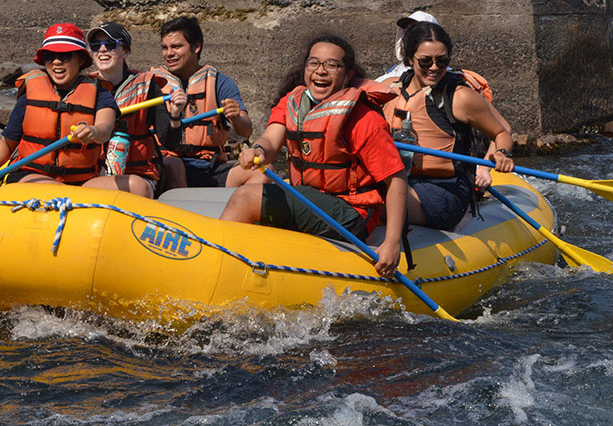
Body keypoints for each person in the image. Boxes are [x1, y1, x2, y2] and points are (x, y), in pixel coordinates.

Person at [219, 34, 408, 277]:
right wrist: (258, 150)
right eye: (314, 63)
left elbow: (396, 178)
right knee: (259, 186)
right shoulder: (292, 102)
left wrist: (392, 243)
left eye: (332, 65)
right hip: (315, 199)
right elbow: (270, 139)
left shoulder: (363, 118)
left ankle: (219, 266)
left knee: (246, 198)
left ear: (348, 75)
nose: (320, 71)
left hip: (350, 213)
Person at [380, 22, 515, 230]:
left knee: (373, 199)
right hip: (401, 179)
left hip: (443, 191)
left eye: (442, 61)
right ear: (409, 59)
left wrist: (502, 153)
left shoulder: (460, 97)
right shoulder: (389, 88)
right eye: (425, 62)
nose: (434, 68)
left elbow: (501, 132)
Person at [0, 23, 118, 189]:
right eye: (50, 56)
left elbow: (105, 129)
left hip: (82, 181)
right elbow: (8, 143)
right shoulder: (30, 93)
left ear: (80, 59)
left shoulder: (99, 93)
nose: (56, 62)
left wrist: (93, 131)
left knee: (139, 186)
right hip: (31, 176)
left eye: (65, 56)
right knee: (53, 188)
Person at [152, 16, 269, 190]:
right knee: (174, 166)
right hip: (166, 166)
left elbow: (246, 130)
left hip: (209, 166)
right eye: (165, 48)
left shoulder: (221, 83)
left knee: (261, 173)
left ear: (196, 47)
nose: (169, 53)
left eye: (176, 46)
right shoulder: (152, 84)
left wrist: (236, 117)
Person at [85, 22, 187, 198]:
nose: (102, 50)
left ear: (125, 51)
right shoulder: (85, 86)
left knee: (138, 185)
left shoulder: (147, 85)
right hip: (95, 174)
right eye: (96, 46)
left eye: (110, 44)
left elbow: (169, 142)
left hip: (139, 175)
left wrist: (176, 114)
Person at [375, 11, 440, 83]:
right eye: (407, 31)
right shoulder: (384, 81)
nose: (409, 37)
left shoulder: (449, 80)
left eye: (417, 32)